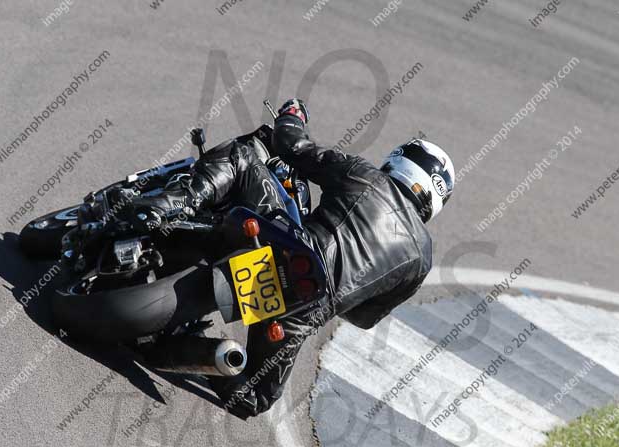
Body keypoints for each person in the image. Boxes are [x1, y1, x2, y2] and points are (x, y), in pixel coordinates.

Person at [129, 99, 455, 418]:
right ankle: (197, 349)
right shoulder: (422, 259)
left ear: (400, 161)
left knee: (241, 156)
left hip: (286, 247)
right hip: (304, 307)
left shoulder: (366, 176)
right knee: (255, 396)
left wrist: (292, 115)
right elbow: (363, 316)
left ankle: (176, 202)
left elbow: (293, 146)